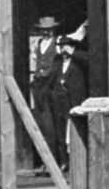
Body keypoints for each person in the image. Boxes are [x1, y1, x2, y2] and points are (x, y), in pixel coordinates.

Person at [48, 36, 89, 171]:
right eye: (62, 46)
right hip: (59, 100)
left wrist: (73, 53)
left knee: (72, 130)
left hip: (73, 100)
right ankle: (64, 161)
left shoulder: (78, 62)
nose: (64, 50)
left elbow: (89, 60)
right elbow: (51, 77)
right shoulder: (58, 62)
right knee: (59, 131)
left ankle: (75, 161)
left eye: (67, 46)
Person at [29, 16, 62, 171]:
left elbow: (56, 67)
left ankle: (53, 162)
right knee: (40, 124)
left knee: (51, 126)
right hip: (38, 86)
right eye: (43, 30)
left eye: (49, 30)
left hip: (50, 87)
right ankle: (44, 161)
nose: (46, 32)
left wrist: (46, 76)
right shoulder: (39, 44)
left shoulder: (57, 44)